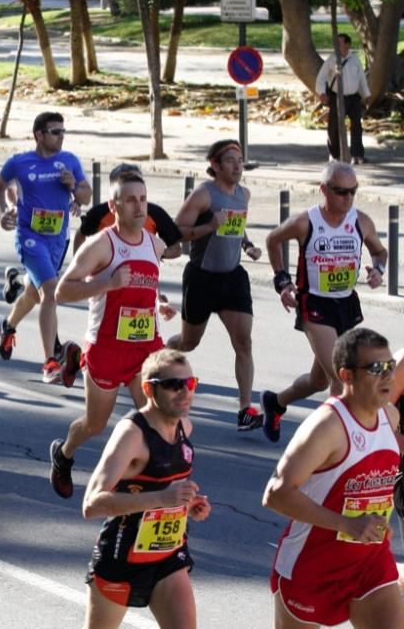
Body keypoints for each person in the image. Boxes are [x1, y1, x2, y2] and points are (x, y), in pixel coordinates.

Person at [264, 327, 403, 628]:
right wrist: (347, 524)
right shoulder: (326, 426)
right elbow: (276, 493)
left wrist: (376, 518)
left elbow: (376, 476)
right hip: (312, 564)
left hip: (369, 561)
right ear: (347, 375)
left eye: (389, 366)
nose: (387, 376)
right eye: (375, 368)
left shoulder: (390, 416)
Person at [48, 173, 169, 499]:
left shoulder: (154, 244)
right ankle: (64, 453)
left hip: (146, 349)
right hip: (107, 348)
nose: (139, 206)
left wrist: (161, 304)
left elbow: (146, 287)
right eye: (130, 200)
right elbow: (62, 291)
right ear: (114, 205)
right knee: (95, 425)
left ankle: (142, 491)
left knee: (157, 424)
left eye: (143, 199)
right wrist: (107, 284)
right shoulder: (101, 245)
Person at [82, 349, 210, 629]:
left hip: (168, 557)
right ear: (148, 389)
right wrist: (162, 498)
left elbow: (162, 487)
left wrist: (187, 505)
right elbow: (92, 504)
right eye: (173, 385)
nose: (184, 393)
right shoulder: (132, 434)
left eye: (190, 384)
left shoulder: (184, 427)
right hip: (121, 557)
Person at [260, 161, 387, 442]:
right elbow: (272, 240)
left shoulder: (361, 221)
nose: (348, 198)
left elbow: (380, 251)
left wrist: (378, 270)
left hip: (346, 304)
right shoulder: (307, 222)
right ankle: (330, 448)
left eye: (353, 191)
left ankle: (276, 402)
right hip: (314, 304)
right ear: (323, 190)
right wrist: (282, 280)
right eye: (341, 191)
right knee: (342, 379)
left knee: (318, 380)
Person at [168, 139, 263, 431]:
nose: (237, 166)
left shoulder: (243, 194)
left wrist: (247, 245)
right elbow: (176, 231)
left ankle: (245, 409)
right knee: (188, 343)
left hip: (233, 277)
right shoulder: (203, 195)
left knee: (244, 343)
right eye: (231, 161)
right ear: (215, 166)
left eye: (240, 161)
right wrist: (209, 227)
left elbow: (236, 225)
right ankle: (154, 356)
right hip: (202, 277)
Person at [0, 111, 91, 382]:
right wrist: (3, 213)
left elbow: (86, 193)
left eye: (63, 131)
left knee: (35, 294)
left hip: (58, 238)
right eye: (55, 132)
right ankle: (50, 361)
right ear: (39, 135)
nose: (61, 136)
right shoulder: (20, 163)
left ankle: (8, 325)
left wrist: (75, 188)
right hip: (29, 236)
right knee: (50, 291)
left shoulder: (69, 161)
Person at [316, 33, 371, 165]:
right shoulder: (332, 59)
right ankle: (334, 155)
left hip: (353, 97)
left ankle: (357, 154)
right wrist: (322, 92)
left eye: (339, 43)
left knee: (356, 126)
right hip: (337, 97)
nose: (337, 46)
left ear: (347, 44)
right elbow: (321, 77)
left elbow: (361, 79)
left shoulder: (354, 60)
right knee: (334, 126)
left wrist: (366, 95)